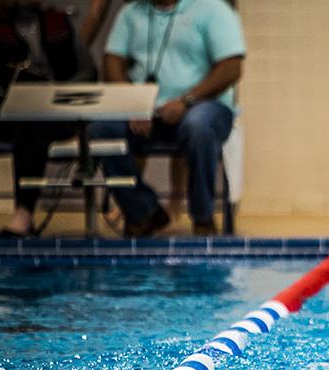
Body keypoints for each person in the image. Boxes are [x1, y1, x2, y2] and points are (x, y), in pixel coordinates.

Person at [89, 0, 244, 237]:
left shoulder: (212, 9)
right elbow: (112, 61)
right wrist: (133, 103)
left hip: (203, 106)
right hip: (145, 112)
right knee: (101, 129)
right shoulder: (131, 13)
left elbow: (232, 67)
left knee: (198, 126)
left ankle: (202, 217)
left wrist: (186, 101)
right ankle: (144, 212)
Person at [0, 0, 95, 239]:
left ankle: (23, 213)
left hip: (52, 114)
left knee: (30, 122)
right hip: (6, 110)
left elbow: (87, 73)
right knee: (24, 116)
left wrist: (58, 95)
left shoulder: (58, 22)